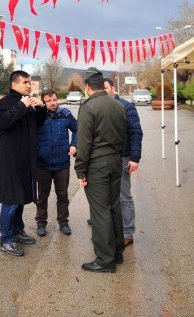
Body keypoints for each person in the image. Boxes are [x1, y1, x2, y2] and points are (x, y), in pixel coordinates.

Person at [75, 67, 129, 273]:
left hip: (98, 164)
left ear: (87, 87)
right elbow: (123, 135)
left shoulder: (89, 107)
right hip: (116, 161)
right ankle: (116, 253)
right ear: (103, 86)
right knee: (114, 208)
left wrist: (80, 170)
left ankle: (105, 260)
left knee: (100, 212)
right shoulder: (118, 105)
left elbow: (84, 142)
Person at [0, 70, 47, 256]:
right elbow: (4, 122)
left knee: (22, 199)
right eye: (25, 82)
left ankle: (17, 230)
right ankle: (6, 239)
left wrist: (41, 108)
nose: (28, 85)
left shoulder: (28, 104)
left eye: (29, 82)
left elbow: (38, 125)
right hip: (11, 161)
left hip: (27, 160)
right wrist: (22, 106)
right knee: (11, 200)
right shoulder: (3, 104)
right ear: (13, 84)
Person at [103, 78, 143, 248]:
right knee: (107, 196)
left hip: (123, 158)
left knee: (123, 196)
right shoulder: (100, 107)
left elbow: (136, 133)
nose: (103, 92)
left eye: (106, 88)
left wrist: (135, 158)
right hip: (104, 159)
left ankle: (127, 232)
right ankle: (111, 227)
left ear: (113, 88)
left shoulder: (127, 107)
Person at [35, 89, 78, 237]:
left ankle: (63, 223)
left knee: (62, 195)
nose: (52, 103)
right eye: (48, 100)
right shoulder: (38, 117)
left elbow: (77, 129)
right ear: (43, 102)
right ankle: (41, 223)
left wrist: (74, 144)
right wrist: (37, 151)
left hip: (62, 164)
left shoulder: (65, 114)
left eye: (54, 99)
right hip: (43, 164)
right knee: (42, 196)